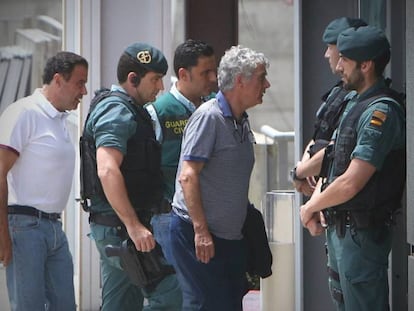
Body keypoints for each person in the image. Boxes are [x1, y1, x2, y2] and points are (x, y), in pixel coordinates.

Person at [300, 26, 406, 310]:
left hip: (360, 234)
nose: (337, 66)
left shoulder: (380, 111)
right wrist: (317, 199)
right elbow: (335, 158)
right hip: (341, 230)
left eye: (344, 60)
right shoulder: (352, 102)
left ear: (366, 65)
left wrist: (311, 207)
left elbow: (352, 181)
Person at [80, 43, 181, 310]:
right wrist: (134, 226)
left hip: (117, 228)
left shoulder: (131, 109)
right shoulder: (117, 111)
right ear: (133, 79)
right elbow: (107, 168)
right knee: (172, 294)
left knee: (121, 303)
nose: (160, 87)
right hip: (121, 230)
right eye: (155, 79)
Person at [170, 45, 270, 310]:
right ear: (240, 80)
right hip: (201, 237)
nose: (267, 84)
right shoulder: (209, 117)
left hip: (230, 239)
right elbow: (188, 176)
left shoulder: (241, 120)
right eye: (261, 77)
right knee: (206, 304)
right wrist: (201, 231)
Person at [0, 51, 88, 311]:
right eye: (79, 83)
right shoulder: (24, 113)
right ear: (58, 80)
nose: (83, 91)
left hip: (52, 228)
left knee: (65, 306)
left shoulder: (60, 119)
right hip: (24, 227)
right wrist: (3, 235)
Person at [145, 39, 217, 267]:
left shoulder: (215, 107)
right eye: (205, 73)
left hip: (211, 216)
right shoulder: (159, 111)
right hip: (170, 219)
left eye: (213, 71)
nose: (213, 78)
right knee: (174, 294)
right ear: (184, 74)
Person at [291, 17, 366, 197]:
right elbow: (319, 135)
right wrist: (302, 170)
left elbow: (336, 149)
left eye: (330, 47)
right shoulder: (338, 92)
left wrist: (300, 173)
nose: (326, 54)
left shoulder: (358, 97)